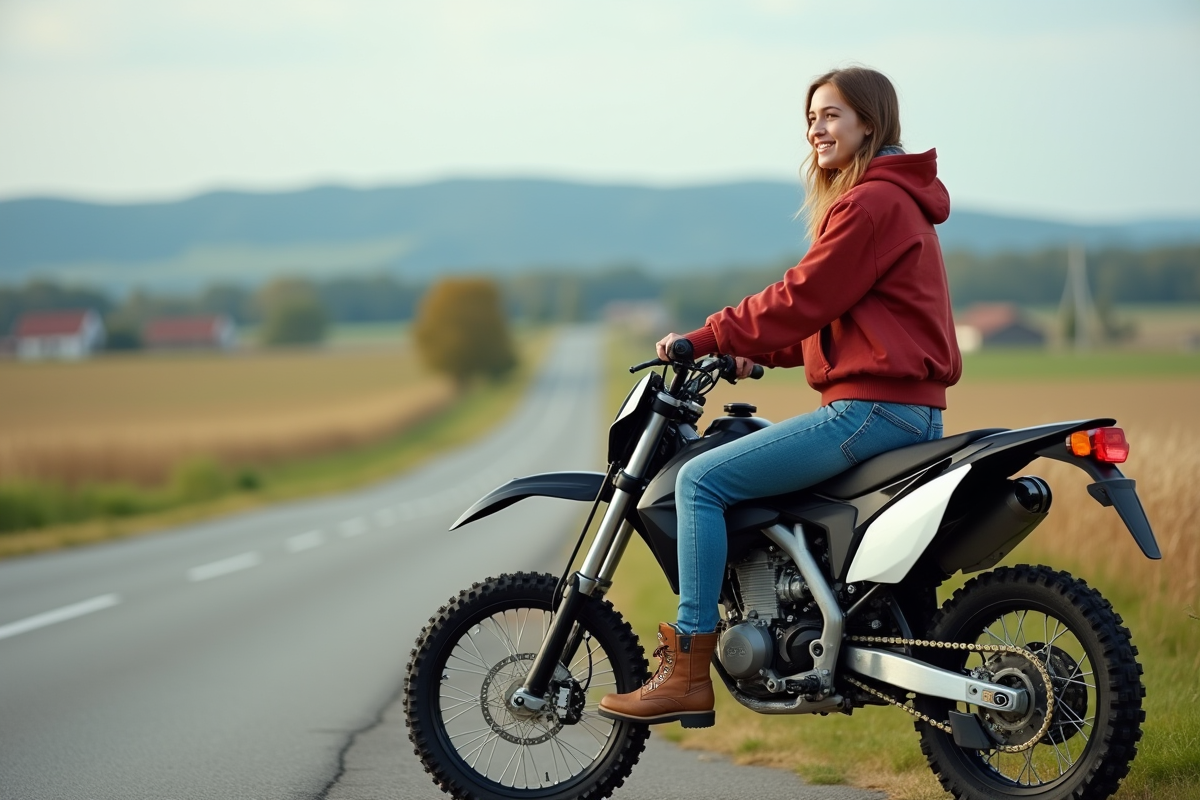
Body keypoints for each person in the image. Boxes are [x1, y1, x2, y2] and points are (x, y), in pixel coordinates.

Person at [598, 67, 962, 727]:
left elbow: (801, 297)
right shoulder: (895, 202)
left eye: (830, 116)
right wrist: (750, 354)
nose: (815, 129)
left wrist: (705, 337)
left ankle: (686, 670)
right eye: (811, 118)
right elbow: (841, 321)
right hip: (901, 408)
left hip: (870, 412)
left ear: (869, 124)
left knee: (701, 483)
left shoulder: (870, 203)